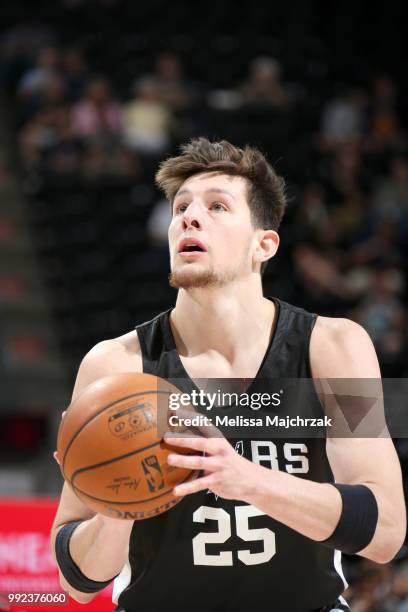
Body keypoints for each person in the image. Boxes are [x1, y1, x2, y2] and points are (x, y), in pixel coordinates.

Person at [50, 138, 406, 612]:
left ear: (265, 244)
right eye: (181, 208)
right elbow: (78, 584)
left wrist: (246, 479)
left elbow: (385, 533)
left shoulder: (335, 347)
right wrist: (119, 505)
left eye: (217, 206)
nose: (189, 218)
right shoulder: (114, 365)